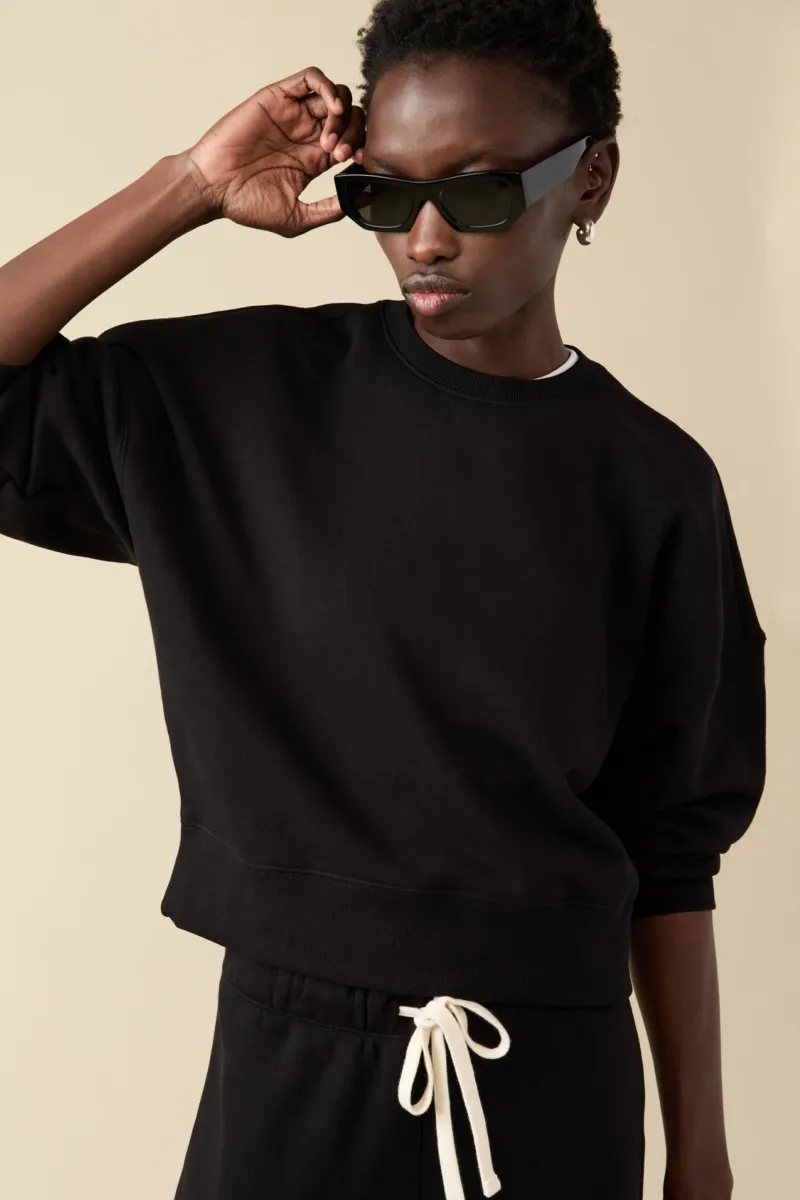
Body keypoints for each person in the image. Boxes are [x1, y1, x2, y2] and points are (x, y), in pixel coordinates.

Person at [0, 1, 767, 1198]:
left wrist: (700, 1161)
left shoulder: (654, 482)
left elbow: (668, 850)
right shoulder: (239, 404)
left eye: (477, 192)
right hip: (287, 1073)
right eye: (383, 193)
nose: (424, 237)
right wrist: (189, 184)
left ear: (590, 179)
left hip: (548, 1080)